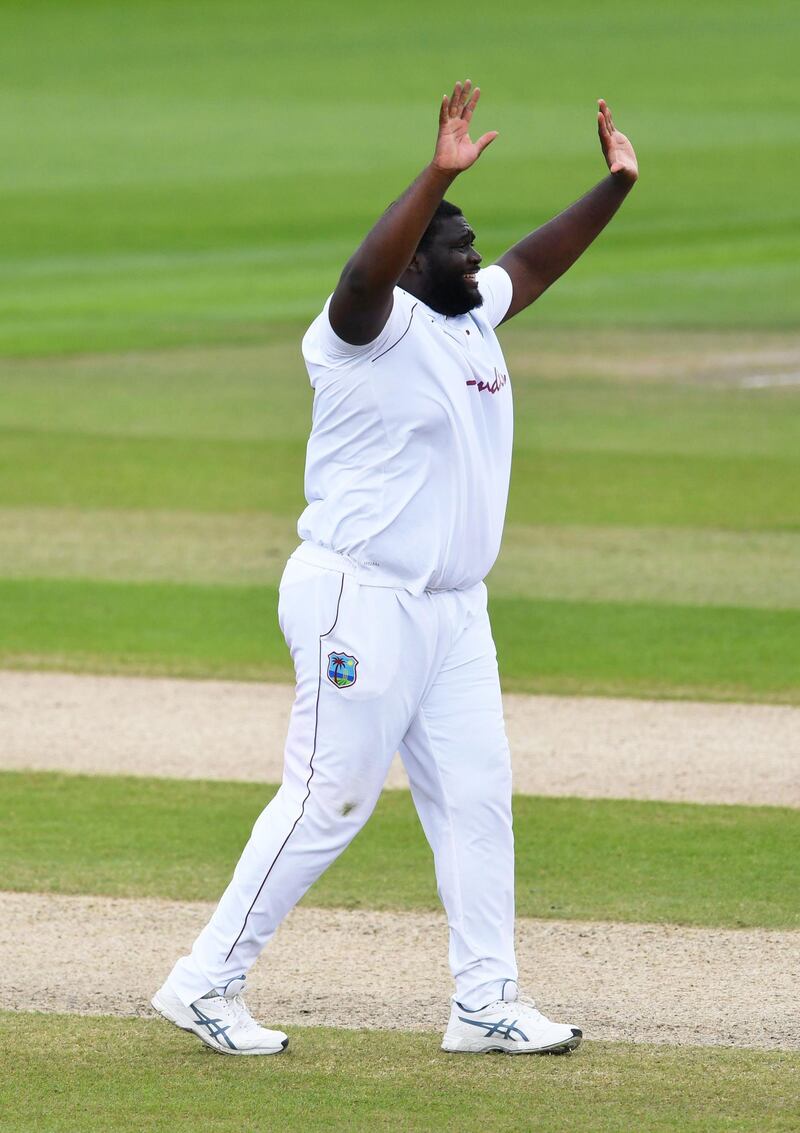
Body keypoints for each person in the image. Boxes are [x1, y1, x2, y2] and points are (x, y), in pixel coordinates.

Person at [152, 80, 638, 1056]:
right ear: (410, 259)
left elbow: (531, 263)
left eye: (469, 241)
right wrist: (432, 176)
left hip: (453, 612)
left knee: (475, 793)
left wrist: (615, 186)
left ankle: (484, 1000)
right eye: (451, 241)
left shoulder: (468, 319)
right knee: (329, 797)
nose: (472, 254)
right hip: (358, 599)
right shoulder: (359, 332)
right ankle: (205, 981)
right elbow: (360, 272)